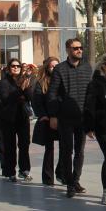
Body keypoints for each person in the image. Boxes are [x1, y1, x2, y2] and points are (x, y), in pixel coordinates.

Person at [47, 38, 94, 198]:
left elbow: (91, 93)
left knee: (80, 151)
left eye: (80, 48)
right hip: (65, 117)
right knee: (66, 151)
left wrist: (92, 117)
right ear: (68, 50)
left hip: (82, 117)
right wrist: (53, 115)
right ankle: (69, 183)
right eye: (75, 48)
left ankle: (75, 180)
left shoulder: (87, 67)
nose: (79, 50)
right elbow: (52, 93)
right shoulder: (60, 69)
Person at [84, 53, 106, 205]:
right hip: (103, 127)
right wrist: (89, 127)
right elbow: (89, 106)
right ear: (104, 66)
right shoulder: (95, 84)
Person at [0, 58, 34, 182]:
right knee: (10, 145)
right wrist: (20, 91)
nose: (16, 68)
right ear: (8, 68)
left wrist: (26, 88)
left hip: (22, 116)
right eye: (13, 66)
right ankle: (9, 171)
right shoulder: (3, 82)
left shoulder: (24, 80)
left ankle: (24, 170)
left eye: (18, 66)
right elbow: (5, 98)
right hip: (8, 118)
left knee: (24, 144)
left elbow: (29, 97)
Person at [31, 57, 61, 186]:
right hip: (48, 119)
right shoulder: (41, 82)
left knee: (66, 148)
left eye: (56, 66)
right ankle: (48, 178)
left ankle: (61, 173)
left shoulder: (63, 80)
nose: (54, 68)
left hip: (62, 118)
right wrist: (42, 115)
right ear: (47, 68)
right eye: (52, 66)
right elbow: (36, 101)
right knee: (49, 149)